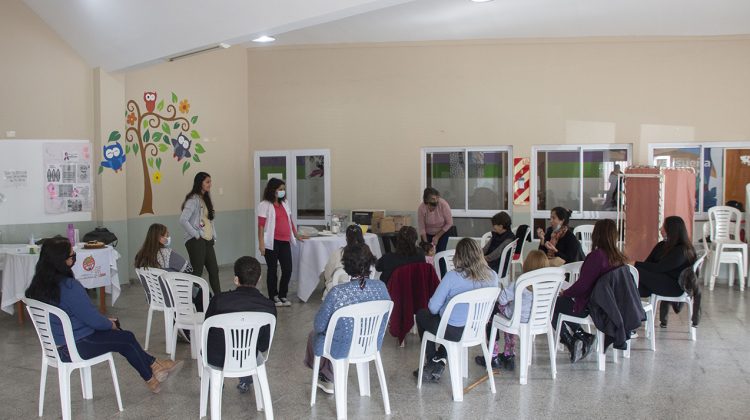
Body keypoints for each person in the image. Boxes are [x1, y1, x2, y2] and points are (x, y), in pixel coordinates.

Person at [25, 237, 181, 394]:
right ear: (61, 261)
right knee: (125, 338)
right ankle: (151, 377)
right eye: (71, 255)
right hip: (76, 346)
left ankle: (155, 366)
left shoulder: (38, 285)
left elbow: (75, 314)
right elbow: (91, 318)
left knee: (122, 336)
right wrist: (109, 324)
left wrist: (105, 322)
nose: (74, 258)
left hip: (55, 345)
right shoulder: (68, 286)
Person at [304, 243, 390, 394]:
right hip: (370, 344)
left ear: (345, 265)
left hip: (341, 347)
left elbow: (319, 325)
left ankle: (326, 375)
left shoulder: (338, 293)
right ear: (370, 262)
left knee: (314, 335)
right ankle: (327, 375)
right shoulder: (381, 287)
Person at [414, 238, 499, 382]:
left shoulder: (452, 276)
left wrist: (445, 307)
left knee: (422, 315)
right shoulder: (492, 276)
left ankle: (433, 361)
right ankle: (439, 359)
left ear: (458, 256)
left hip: (453, 331)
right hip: (476, 329)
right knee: (446, 322)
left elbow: (433, 308)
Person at [552, 218, 628, 363]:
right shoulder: (619, 257)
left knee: (551, 304)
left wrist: (565, 292)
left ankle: (572, 341)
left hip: (593, 307)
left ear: (597, 235)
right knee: (561, 302)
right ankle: (582, 336)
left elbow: (583, 286)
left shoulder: (596, 256)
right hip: (610, 307)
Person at [204, 256, 277, 394]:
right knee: (248, 344)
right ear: (259, 278)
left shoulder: (218, 300)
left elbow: (207, 331)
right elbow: (264, 344)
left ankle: (214, 382)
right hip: (248, 358)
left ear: (236, 279)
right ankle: (246, 379)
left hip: (216, 358)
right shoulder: (268, 306)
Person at [476, 250, 548, 370]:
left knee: (493, 310)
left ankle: (492, 354)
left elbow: (502, 299)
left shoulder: (520, 283)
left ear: (527, 265)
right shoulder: (548, 284)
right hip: (538, 320)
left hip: (516, 318)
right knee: (511, 314)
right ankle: (509, 354)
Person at [134, 223, 198, 342]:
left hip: (155, 297)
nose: (168, 237)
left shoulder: (140, 256)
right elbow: (189, 269)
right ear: (159, 238)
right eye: (166, 235)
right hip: (174, 295)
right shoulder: (167, 254)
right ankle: (189, 327)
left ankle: (181, 324)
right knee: (202, 294)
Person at [636, 216, 697, 328]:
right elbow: (648, 263)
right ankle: (633, 316)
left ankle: (633, 318)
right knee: (632, 278)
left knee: (633, 273)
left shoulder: (682, 250)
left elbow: (659, 267)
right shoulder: (662, 245)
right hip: (661, 280)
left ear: (671, 230)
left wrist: (634, 264)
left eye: (663, 227)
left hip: (674, 286)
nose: (660, 229)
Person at [257, 177, 305, 306]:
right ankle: (273, 296)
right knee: (272, 270)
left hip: (284, 241)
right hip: (271, 241)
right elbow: (261, 225)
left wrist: (296, 234)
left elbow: (290, 221)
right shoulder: (264, 205)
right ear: (273, 190)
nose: (283, 191)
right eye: (280, 189)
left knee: (287, 269)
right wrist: (261, 243)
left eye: (284, 189)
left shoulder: (285, 203)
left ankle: (283, 295)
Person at [179, 172, 220, 295]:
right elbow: (183, 220)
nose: (210, 184)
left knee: (214, 270)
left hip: (207, 239)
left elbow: (209, 221)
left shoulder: (206, 198)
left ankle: (219, 298)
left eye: (210, 181)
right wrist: (196, 235)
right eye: (207, 182)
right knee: (197, 272)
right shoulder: (193, 200)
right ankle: (191, 300)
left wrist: (214, 236)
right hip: (196, 240)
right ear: (200, 182)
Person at [321, 224, 365, 298]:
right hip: (362, 289)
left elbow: (327, 273)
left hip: (340, 290)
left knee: (328, 279)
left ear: (346, 238)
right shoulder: (367, 253)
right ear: (361, 237)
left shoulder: (338, 253)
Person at [417, 187, 456, 254]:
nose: (434, 207)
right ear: (426, 202)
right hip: (427, 233)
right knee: (427, 254)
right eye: (432, 204)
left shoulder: (443, 204)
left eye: (436, 203)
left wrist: (437, 236)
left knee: (440, 254)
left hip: (442, 232)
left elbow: (449, 223)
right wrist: (427, 244)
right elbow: (422, 228)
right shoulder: (421, 208)